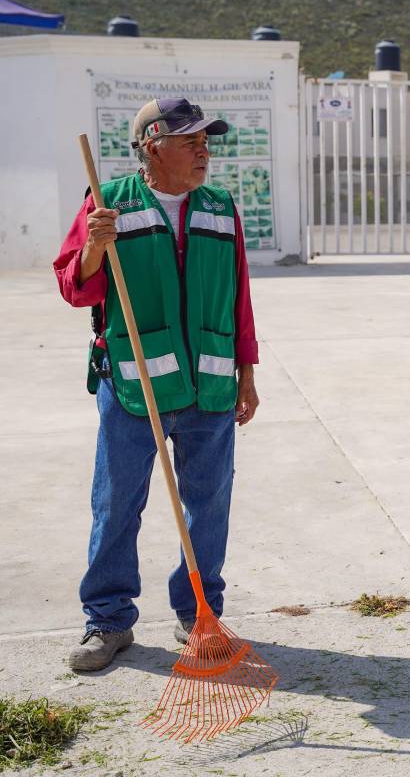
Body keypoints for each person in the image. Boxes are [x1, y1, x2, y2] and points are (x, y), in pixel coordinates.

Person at [52, 97, 260, 671]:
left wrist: (246, 372)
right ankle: (108, 619)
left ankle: (200, 614)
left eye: (205, 140)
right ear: (152, 145)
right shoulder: (108, 203)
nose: (203, 151)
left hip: (210, 386)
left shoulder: (220, 207)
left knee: (209, 506)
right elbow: (74, 288)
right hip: (133, 385)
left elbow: (238, 294)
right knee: (116, 503)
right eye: (190, 140)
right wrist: (95, 247)